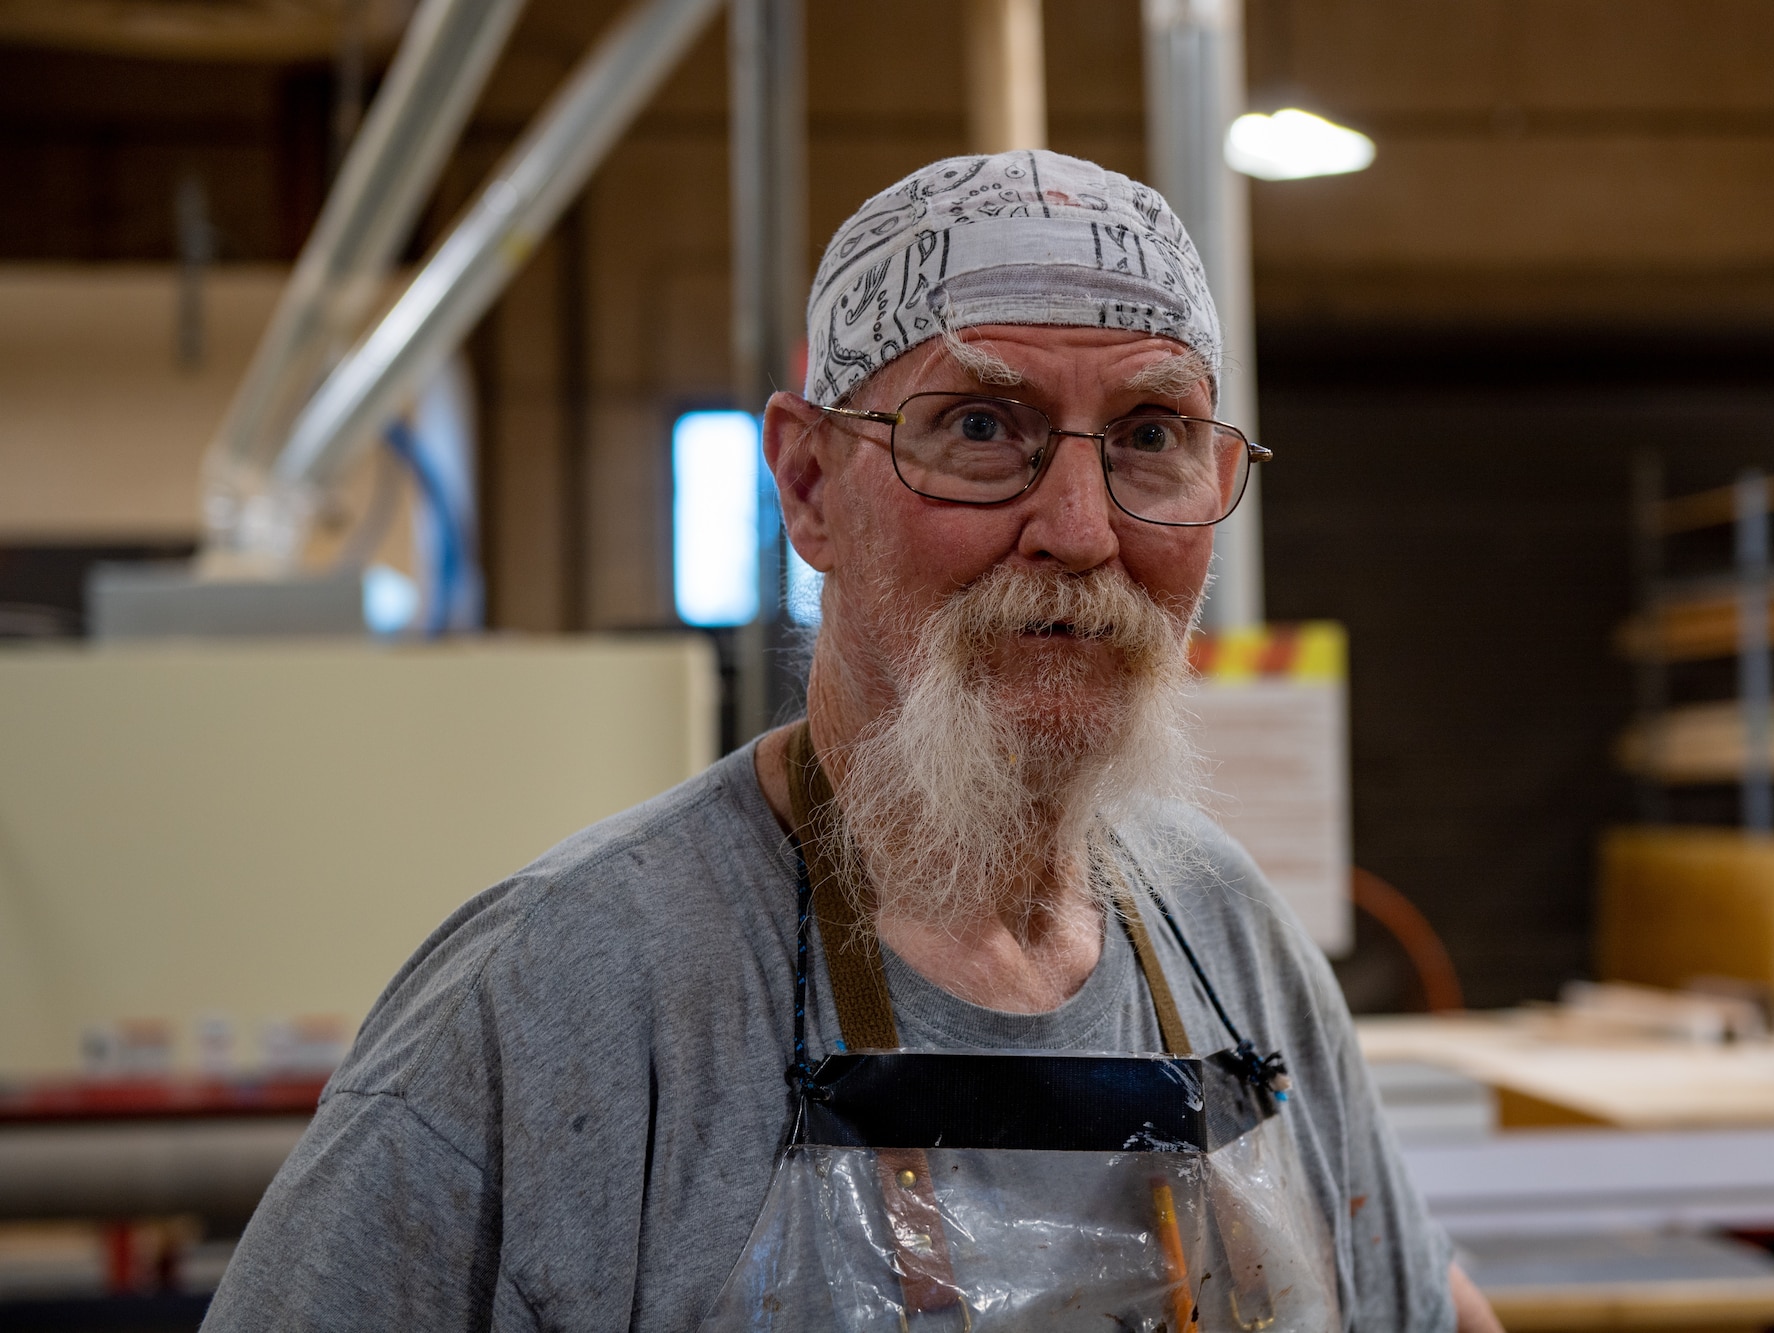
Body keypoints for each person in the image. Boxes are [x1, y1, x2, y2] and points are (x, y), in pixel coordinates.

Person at [204, 150, 1500, 1333]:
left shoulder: (1225, 932)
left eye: (1152, 437)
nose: (1082, 529)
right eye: (982, 428)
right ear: (811, 486)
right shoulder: (566, 993)